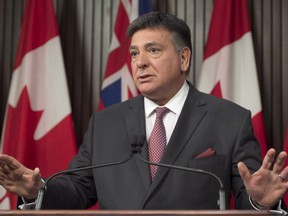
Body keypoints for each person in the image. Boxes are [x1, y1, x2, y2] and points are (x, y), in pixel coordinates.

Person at [0, 11, 288, 212]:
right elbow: (78, 188)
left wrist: (261, 202)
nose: (139, 63)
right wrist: (37, 191)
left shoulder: (230, 120)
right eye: (135, 53)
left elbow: (250, 195)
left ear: (184, 58)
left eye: (153, 50)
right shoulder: (105, 123)